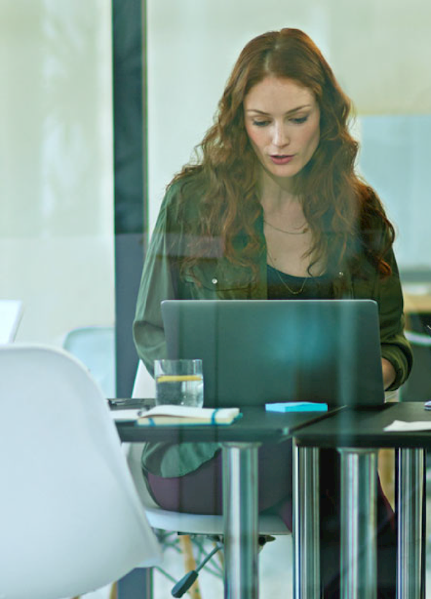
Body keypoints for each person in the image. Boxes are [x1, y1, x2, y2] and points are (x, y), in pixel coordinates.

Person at [133, 28, 412, 598]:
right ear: (239, 121)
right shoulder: (194, 202)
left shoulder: (359, 211)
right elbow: (153, 332)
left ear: (327, 117)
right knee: (339, 483)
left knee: (323, 469)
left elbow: (392, 346)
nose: (278, 139)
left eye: (298, 118)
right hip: (201, 455)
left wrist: (365, 372)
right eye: (261, 121)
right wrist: (214, 382)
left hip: (316, 449)